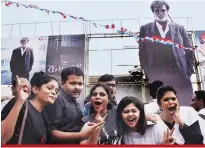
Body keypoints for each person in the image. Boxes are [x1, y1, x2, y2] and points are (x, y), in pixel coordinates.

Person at [139, 0, 194, 106]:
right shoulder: (145, 29)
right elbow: (142, 54)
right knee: (161, 107)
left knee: (184, 105)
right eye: (157, 11)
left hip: (179, 75)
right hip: (157, 76)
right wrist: (148, 74)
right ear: (153, 13)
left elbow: (189, 50)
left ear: (167, 11)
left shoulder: (180, 28)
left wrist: (189, 71)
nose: (160, 13)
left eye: (163, 10)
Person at [44, 67, 103, 144]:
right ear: (62, 83)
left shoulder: (75, 102)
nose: (77, 87)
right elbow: (52, 133)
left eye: (80, 84)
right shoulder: (57, 100)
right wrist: (80, 135)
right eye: (73, 83)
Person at [1, 72, 59, 144]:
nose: (54, 93)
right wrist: (20, 100)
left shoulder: (44, 116)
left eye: (56, 91)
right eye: (49, 88)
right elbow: (2, 137)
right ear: (35, 89)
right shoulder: (20, 104)